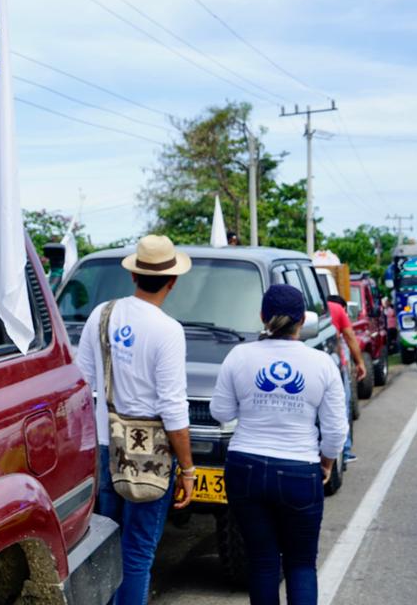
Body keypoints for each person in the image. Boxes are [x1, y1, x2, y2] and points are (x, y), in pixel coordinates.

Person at [74, 234, 195, 605]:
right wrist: (188, 469)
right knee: (138, 554)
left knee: (109, 547)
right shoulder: (168, 330)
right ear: (172, 281)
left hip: (106, 449)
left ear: (133, 276)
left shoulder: (102, 314)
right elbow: (173, 408)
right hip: (150, 458)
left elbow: (82, 383)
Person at [210, 284, 348, 605]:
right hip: (300, 469)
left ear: (262, 316)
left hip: (245, 468)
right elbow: (335, 430)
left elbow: (221, 412)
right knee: (301, 564)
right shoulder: (322, 363)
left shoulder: (239, 356)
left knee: (262, 562)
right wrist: (326, 462)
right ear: (303, 321)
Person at [326, 294, 366, 464]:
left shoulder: (307, 307)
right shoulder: (336, 309)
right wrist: (360, 362)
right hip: (335, 366)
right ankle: (345, 451)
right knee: (341, 407)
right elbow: (350, 337)